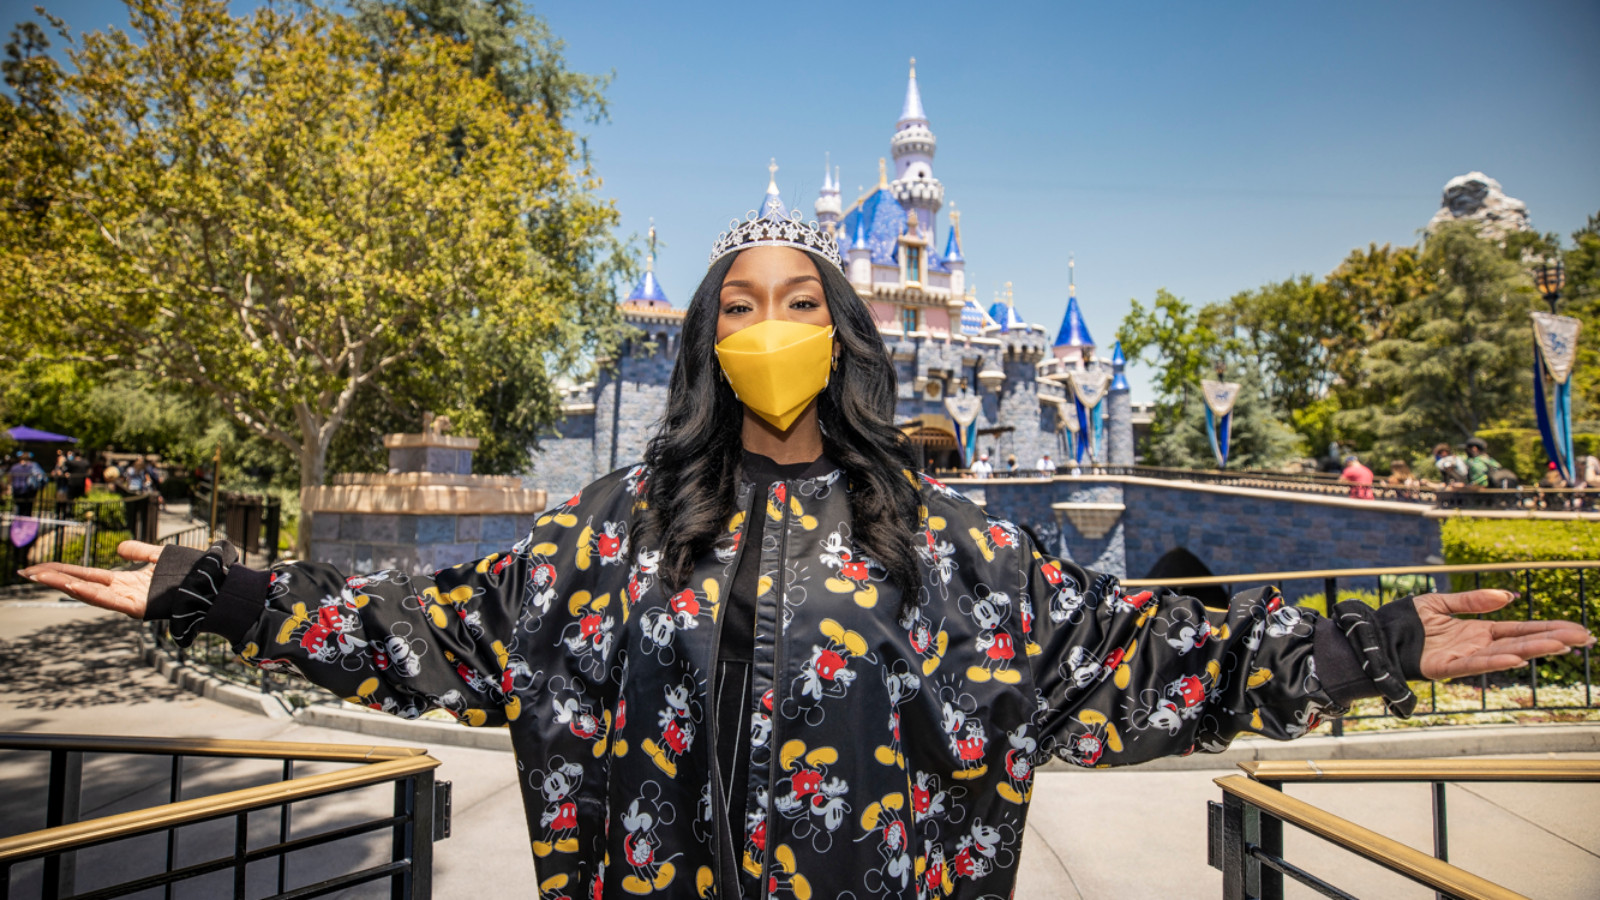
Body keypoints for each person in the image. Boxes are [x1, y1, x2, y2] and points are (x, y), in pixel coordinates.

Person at [24, 211, 1594, 899]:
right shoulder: (606, 541)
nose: (767, 328)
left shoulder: (951, 551)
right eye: (736, 303)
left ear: (846, 336)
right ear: (704, 342)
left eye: (799, 302)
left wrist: (1371, 642)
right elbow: (416, 635)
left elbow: (1135, 660)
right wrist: (198, 584)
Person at [8, 452, 48, 518]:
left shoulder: (14, 467)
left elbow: (10, 478)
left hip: (17, 490)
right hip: (28, 490)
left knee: (18, 508)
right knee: (27, 510)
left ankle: (17, 525)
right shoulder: (32, 466)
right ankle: (26, 526)